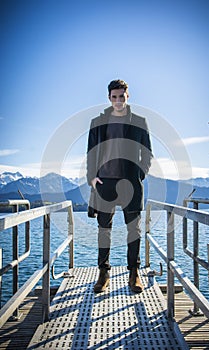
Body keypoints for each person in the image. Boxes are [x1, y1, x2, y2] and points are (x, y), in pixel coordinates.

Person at [87, 79, 153, 293]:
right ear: (109, 97)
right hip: (105, 183)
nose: (118, 101)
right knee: (103, 231)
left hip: (130, 184)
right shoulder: (97, 122)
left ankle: (134, 274)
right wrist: (91, 177)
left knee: (133, 231)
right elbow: (90, 153)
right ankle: (103, 273)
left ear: (127, 96)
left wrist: (140, 174)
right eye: (114, 97)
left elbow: (147, 152)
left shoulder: (140, 121)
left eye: (121, 96)